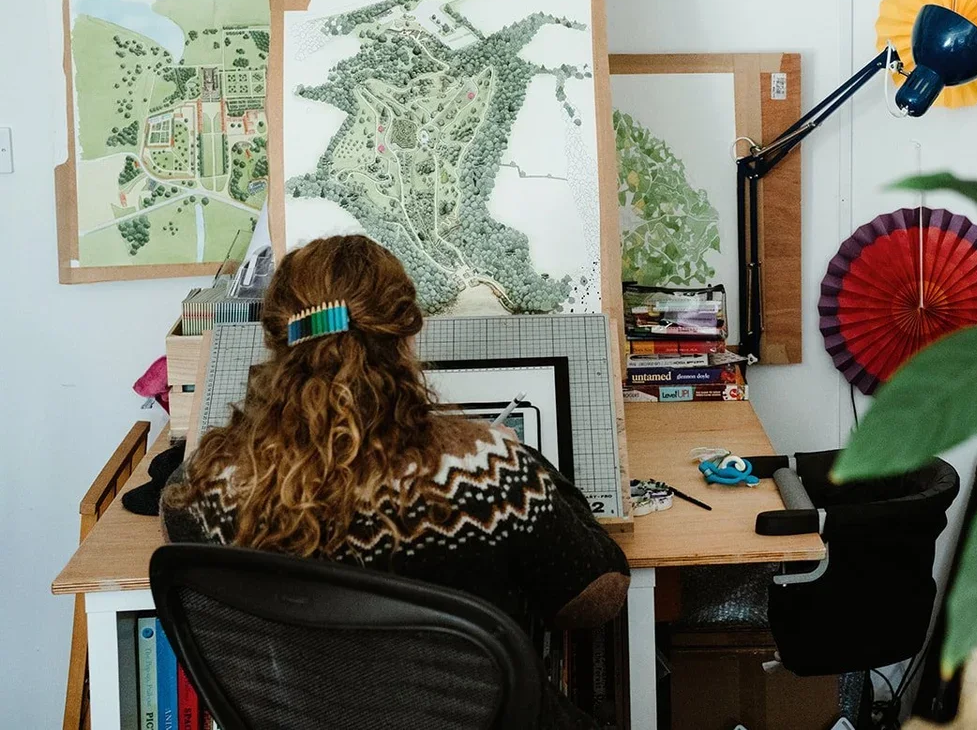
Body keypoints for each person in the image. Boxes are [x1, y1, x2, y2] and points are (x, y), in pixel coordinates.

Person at [161, 235, 627, 729]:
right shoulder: (491, 474)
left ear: (276, 344)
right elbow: (599, 597)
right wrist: (531, 473)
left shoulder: (202, 486)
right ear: (405, 337)